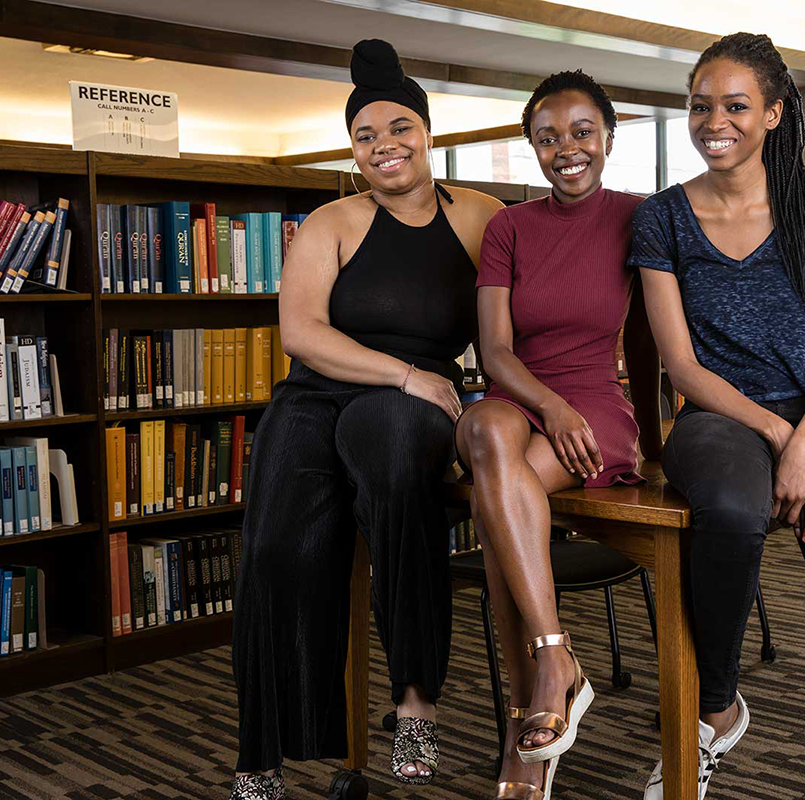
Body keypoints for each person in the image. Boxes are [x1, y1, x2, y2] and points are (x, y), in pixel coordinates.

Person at [229, 39, 504, 800]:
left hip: (411, 411)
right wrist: (406, 372)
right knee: (276, 547)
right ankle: (264, 752)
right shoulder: (332, 219)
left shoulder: (483, 217)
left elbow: (502, 331)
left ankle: (416, 701)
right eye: (366, 136)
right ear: (353, 151)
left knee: (390, 465)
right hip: (321, 393)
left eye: (399, 128)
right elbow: (301, 334)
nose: (385, 145)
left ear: (428, 131)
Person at [629, 32, 805, 800]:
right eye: (700, 106)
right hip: (715, 415)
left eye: (737, 105)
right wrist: (779, 437)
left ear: (775, 113)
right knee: (732, 509)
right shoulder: (662, 219)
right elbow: (681, 366)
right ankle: (716, 708)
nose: (716, 120)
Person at [454, 70, 662, 800]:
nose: (565, 149)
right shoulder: (509, 227)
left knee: (494, 504)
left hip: (596, 409)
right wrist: (552, 407)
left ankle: (526, 737)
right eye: (547, 138)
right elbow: (495, 351)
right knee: (481, 427)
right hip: (523, 397)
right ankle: (555, 662)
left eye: (581, 133)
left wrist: (656, 445)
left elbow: (648, 340)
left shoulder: (641, 217)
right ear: (532, 148)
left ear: (608, 136)